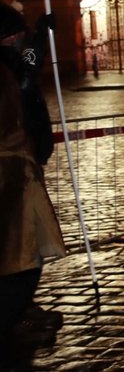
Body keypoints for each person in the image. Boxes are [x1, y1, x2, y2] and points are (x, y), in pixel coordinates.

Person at [0, 64, 66, 365]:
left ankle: (18, 316)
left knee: (28, 260)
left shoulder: (15, 63)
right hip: (10, 177)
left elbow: (29, 62)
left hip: (21, 172)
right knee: (20, 261)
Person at [0, 3, 56, 168]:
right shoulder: (5, 65)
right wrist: (38, 42)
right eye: (16, 35)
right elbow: (22, 83)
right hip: (12, 157)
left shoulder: (11, 60)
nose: (20, 39)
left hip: (23, 154)